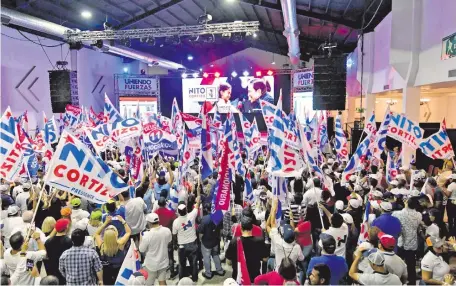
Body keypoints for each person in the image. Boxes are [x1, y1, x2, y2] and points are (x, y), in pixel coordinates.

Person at [226, 216, 269, 282]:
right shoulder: (259, 241)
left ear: (240, 228)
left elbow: (228, 261)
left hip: (238, 277)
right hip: (254, 277)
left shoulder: (234, 242)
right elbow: (265, 259)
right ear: (252, 228)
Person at [266, 198, 304, 271]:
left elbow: (270, 225)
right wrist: (291, 217)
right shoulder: (297, 247)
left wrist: (273, 209)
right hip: (291, 273)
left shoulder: (277, 241)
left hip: (278, 271)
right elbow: (301, 258)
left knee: (270, 261)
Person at [392, 196, 422, 285]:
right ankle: (412, 282)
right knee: (411, 265)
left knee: (398, 264)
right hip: (412, 243)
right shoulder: (419, 215)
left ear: (407, 203)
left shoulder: (397, 214)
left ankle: (398, 281)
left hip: (401, 242)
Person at [94, 215, 131, 285]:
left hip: (107, 270)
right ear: (116, 234)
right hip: (119, 269)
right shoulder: (120, 244)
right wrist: (123, 221)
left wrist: (106, 222)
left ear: (104, 236)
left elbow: (96, 234)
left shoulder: (102, 246)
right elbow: (128, 232)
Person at [139, 213, 172, 285]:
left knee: (149, 283)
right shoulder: (167, 230)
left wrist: (141, 239)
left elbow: (141, 249)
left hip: (151, 264)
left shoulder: (147, 235)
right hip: (163, 262)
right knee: (162, 281)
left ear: (149, 223)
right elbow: (169, 241)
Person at [172, 199, 200, 282]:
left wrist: (174, 244)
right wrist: (198, 195)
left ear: (178, 212)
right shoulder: (192, 215)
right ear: (186, 210)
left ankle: (182, 279)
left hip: (182, 246)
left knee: (182, 264)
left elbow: (174, 235)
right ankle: (194, 278)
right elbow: (197, 205)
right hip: (192, 244)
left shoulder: (176, 222)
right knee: (194, 263)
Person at [197, 203, 225, 279]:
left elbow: (200, 233)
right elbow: (221, 231)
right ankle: (220, 271)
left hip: (206, 243)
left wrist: (200, 240)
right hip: (215, 241)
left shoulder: (204, 219)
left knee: (206, 258)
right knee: (215, 255)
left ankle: (208, 273)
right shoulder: (218, 217)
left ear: (206, 209)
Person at [44, 219, 73, 285]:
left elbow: (46, 257)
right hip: (65, 272)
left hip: (52, 272)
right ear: (66, 228)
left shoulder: (48, 241)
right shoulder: (69, 241)